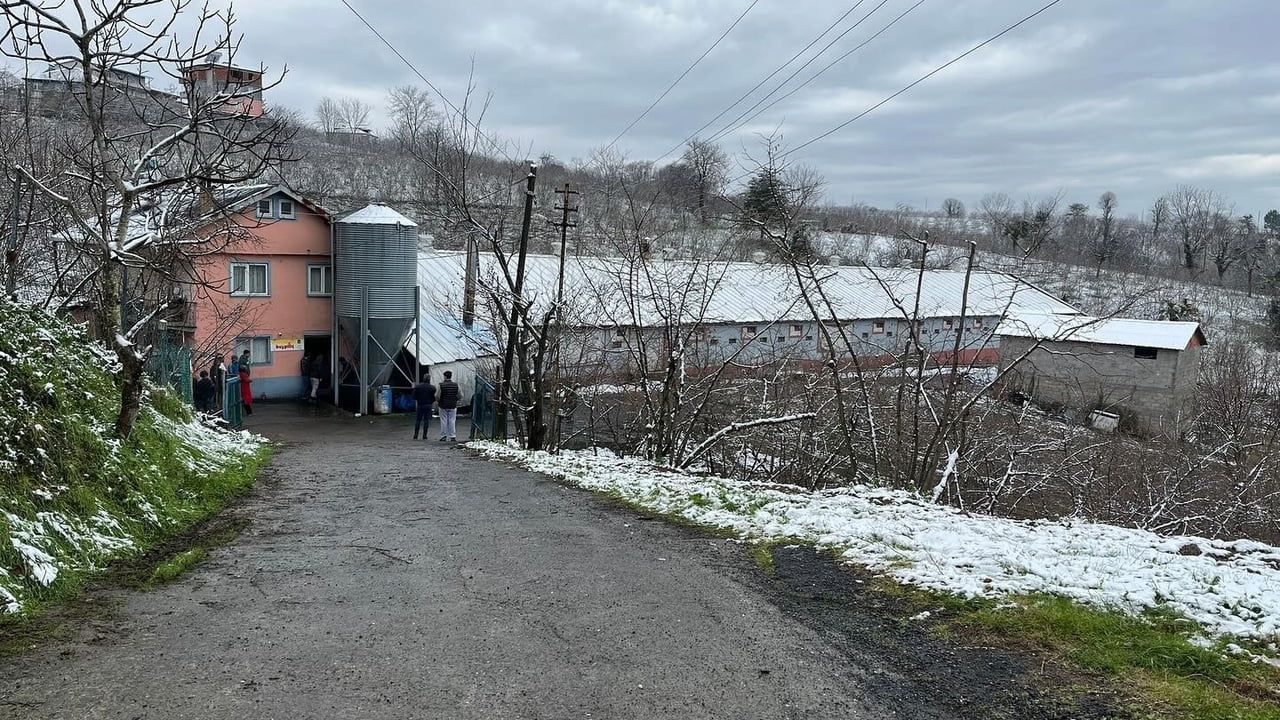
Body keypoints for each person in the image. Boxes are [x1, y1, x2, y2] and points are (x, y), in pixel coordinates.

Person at [437, 370, 460, 442]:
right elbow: (460, 395)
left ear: (444, 376)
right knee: (452, 420)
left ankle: (443, 436)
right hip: (453, 405)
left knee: (443, 420)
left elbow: (437, 396)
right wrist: (455, 399)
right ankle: (452, 436)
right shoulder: (456, 385)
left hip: (443, 405)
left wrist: (438, 401)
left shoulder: (441, 385)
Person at [412, 374, 436, 440]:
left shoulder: (418, 387)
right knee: (426, 420)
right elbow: (433, 398)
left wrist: (418, 399)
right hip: (428, 405)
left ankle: (415, 435)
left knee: (418, 420)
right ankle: (424, 435)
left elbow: (413, 396)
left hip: (420, 404)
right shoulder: (432, 388)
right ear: (429, 379)